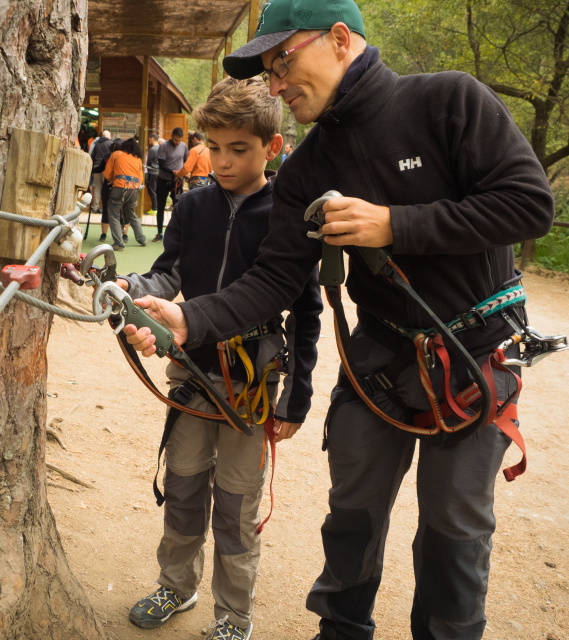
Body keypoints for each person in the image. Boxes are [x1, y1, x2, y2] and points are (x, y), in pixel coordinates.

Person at [120, 1, 556, 639]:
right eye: (268, 72)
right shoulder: (305, 170)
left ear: (341, 39)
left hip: (473, 359)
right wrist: (188, 319)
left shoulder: (449, 102)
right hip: (378, 358)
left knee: (455, 527)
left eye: (283, 62)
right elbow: (274, 279)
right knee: (351, 513)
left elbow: (528, 205)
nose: (275, 83)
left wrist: (393, 224)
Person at [113, 76, 322, 640]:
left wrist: (297, 399)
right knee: (182, 489)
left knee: (234, 506)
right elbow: (172, 272)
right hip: (193, 376)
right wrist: (134, 287)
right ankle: (176, 586)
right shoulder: (194, 205)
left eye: (240, 150)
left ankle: (234, 618)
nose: (223, 162)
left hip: (251, 389)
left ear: (272, 147)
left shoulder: (289, 216)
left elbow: (306, 313)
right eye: (215, 146)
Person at [103, 137, 148, 250]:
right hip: (133, 189)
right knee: (131, 213)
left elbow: (107, 174)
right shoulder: (137, 159)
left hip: (119, 187)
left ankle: (119, 243)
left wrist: (115, 179)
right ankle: (141, 238)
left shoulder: (116, 154)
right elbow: (140, 178)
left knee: (113, 214)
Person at [155, 127, 188, 242]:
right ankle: (159, 233)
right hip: (163, 180)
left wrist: (185, 173)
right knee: (160, 207)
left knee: (179, 207)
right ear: (171, 136)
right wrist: (173, 172)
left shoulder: (184, 146)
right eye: (175, 140)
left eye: (179, 140)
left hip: (177, 182)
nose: (177, 142)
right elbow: (161, 165)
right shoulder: (163, 146)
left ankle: (177, 233)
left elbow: (186, 161)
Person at [95, 138, 123, 242]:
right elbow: (101, 168)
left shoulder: (109, 156)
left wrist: (92, 170)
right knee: (119, 210)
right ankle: (123, 235)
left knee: (107, 210)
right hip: (119, 185)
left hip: (111, 184)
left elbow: (101, 168)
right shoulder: (123, 156)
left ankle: (104, 235)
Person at [89, 130, 113, 213]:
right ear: (109, 136)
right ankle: (104, 207)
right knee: (105, 188)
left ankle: (95, 207)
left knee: (96, 188)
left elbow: (92, 155)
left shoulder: (97, 144)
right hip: (105, 168)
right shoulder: (110, 143)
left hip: (96, 167)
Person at [146, 133, 160, 214]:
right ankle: (158, 207)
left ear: (152, 139)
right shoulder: (162, 148)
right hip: (160, 172)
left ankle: (154, 208)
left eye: (149, 139)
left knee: (151, 190)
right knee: (157, 190)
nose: (149, 141)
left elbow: (148, 162)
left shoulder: (152, 149)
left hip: (153, 171)